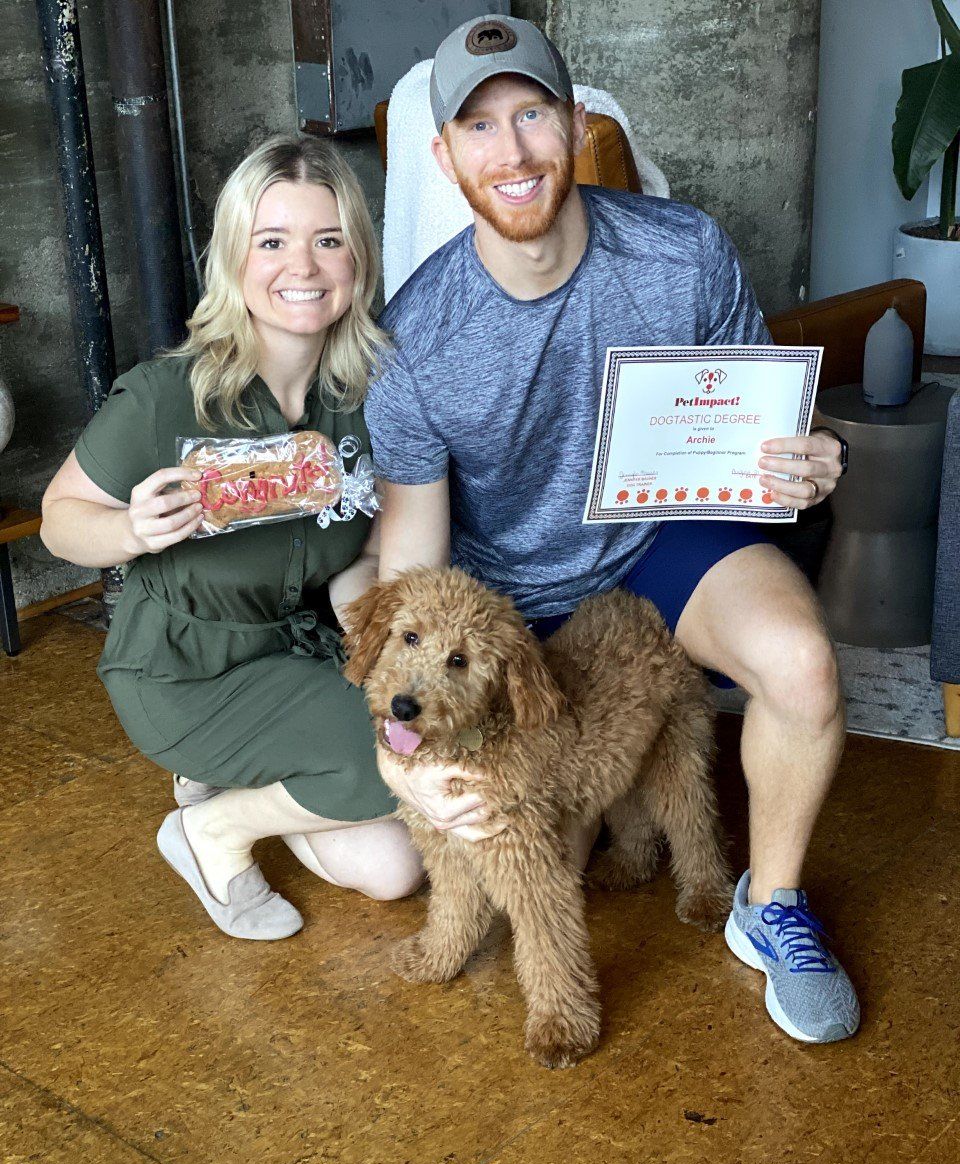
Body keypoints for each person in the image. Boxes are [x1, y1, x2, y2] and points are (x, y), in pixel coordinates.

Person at [364, 15, 860, 1043]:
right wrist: (395, 745)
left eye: (532, 115)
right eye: (479, 127)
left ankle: (772, 908)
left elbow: (761, 426)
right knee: (530, 851)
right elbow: (411, 554)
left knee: (803, 663)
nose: (513, 152)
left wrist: (810, 457)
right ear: (444, 157)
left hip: (658, 541)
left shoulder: (683, 252)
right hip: (511, 601)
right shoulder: (414, 339)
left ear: (575, 121)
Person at [40, 136, 430, 940]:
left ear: (358, 257)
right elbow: (57, 522)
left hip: (300, 654)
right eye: (273, 241)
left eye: (329, 240)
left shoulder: (370, 399)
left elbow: (359, 556)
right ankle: (212, 832)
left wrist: (372, 649)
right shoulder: (165, 397)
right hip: (183, 672)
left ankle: (238, 790)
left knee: (394, 869)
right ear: (233, 259)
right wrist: (129, 529)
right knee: (390, 760)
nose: (304, 266)